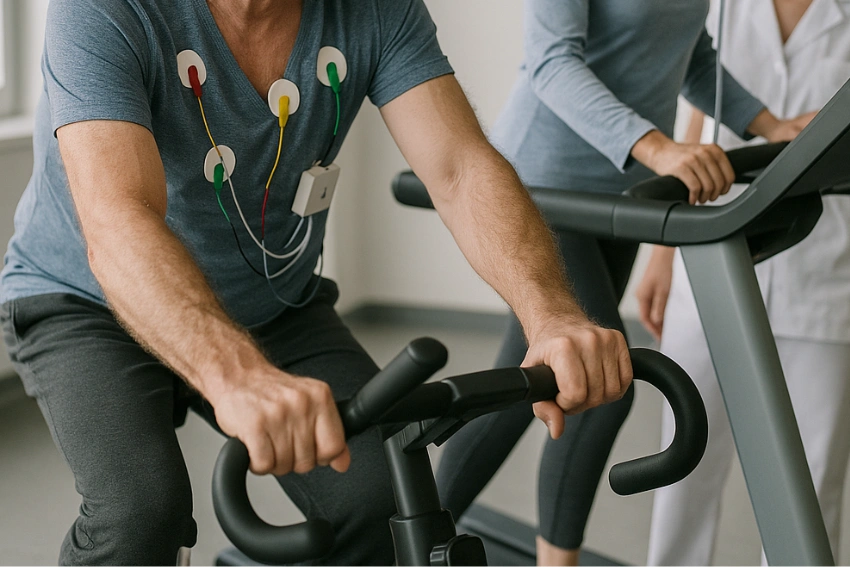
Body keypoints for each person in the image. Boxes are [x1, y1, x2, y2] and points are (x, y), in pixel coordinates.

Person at [0, 0, 638, 564]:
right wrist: (236, 375)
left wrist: (551, 314)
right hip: (85, 298)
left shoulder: (373, 11)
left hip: (273, 299)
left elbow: (461, 169)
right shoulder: (103, 8)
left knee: (384, 497)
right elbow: (117, 218)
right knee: (141, 512)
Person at [434, 0, 816, 564]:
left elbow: (691, 53)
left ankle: (391, 545)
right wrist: (660, 147)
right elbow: (552, 63)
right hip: (546, 186)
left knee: (527, 387)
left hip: (619, 188)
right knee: (602, 379)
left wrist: (769, 125)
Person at [642, 0, 850, 563]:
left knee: (811, 486)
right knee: (682, 466)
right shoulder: (720, 5)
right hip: (709, 261)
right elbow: (698, 110)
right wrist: (660, 256)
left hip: (828, 277)